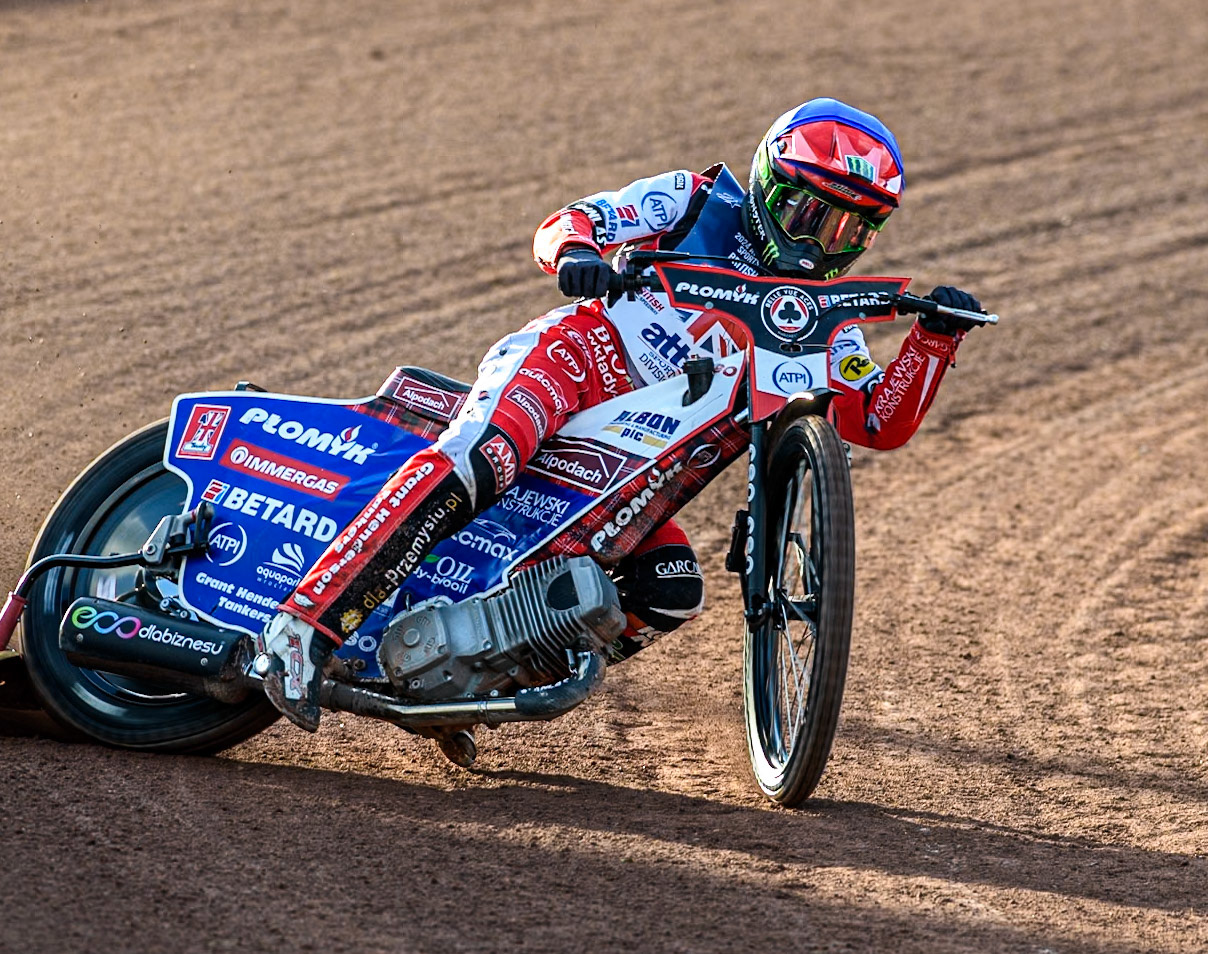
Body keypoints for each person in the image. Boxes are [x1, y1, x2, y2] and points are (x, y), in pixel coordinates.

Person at [257, 97, 984, 731]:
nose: (823, 244)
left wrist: (933, 339)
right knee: (481, 461)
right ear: (769, 184)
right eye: (810, 215)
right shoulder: (697, 201)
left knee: (669, 590)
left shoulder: (821, 323)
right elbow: (572, 221)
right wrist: (578, 253)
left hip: (634, 469)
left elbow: (875, 423)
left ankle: (471, 684)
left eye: (850, 232)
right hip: (574, 365)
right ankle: (304, 628)